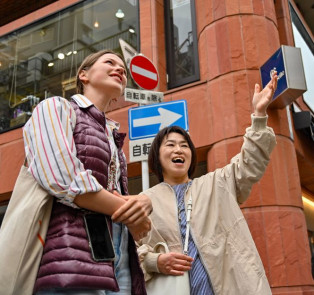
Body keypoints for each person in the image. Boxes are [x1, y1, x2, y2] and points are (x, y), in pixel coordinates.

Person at [134, 73, 278, 294]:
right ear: (157, 156)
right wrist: (155, 261)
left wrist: (258, 115)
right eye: (170, 145)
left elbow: (251, 163)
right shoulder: (145, 200)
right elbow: (127, 249)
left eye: (184, 145)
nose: (178, 149)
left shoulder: (217, 182)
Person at [23, 49, 152, 295]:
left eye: (123, 69)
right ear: (84, 75)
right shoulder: (56, 107)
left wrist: (142, 203)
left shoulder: (113, 136)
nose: (121, 70)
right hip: (70, 255)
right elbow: (62, 177)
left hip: (119, 257)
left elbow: (109, 194)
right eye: (109, 62)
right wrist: (130, 212)